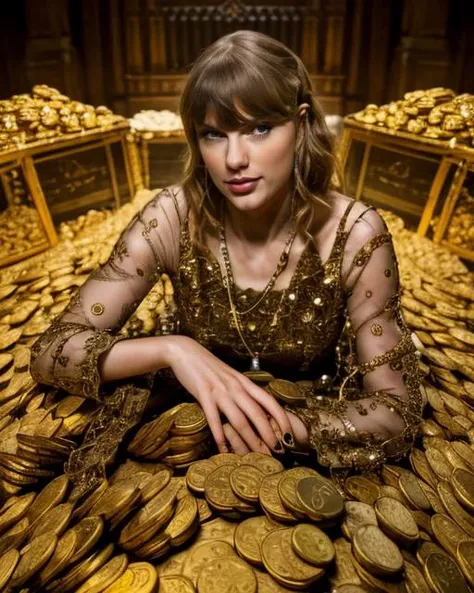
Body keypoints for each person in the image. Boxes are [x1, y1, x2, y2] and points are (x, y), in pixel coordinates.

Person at [30, 30, 423, 495]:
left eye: (259, 128)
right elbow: (52, 351)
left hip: (303, 438)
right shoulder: (172, 217)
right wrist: (172, 349)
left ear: (299, 125)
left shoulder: (356, 233)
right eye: (214, 134)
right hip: (185, 428)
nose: (235, 159)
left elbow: (397, 411)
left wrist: (272, 428)